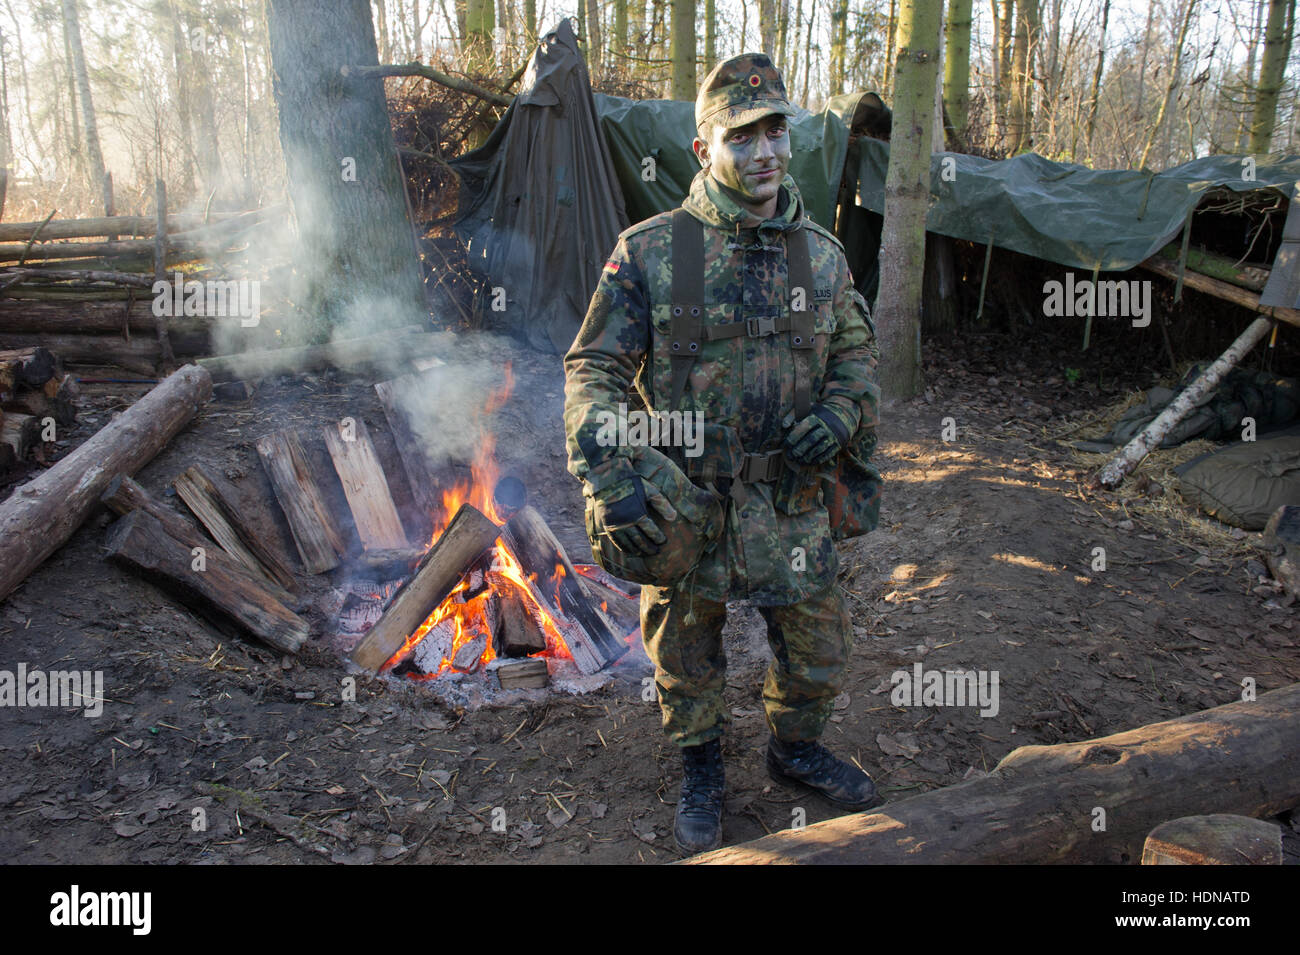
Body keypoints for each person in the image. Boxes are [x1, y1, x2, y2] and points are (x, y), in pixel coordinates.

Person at [563, 53, 883, 854]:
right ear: (705, 148)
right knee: (686, 655)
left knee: (819, 651)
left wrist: (842, 411)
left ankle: (794, 747)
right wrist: (612, 478)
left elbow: (855, 356)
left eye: (776, 129)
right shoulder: (652, 252)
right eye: (743, 136)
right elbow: (593, 369)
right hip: (691, 500)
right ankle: (702, 766)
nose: (766, 151)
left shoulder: (824, 256)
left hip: (790, 500)